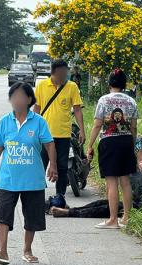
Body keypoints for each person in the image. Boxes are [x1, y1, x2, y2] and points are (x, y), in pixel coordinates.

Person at [0, 81, 58, 265]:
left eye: (20, 96)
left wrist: (53, 166)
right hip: (7, 179)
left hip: (32, 180)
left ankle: (27, 250)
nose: (16, 99)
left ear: (29, 99)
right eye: (13, 96)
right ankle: (2, 251)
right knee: (3, 213)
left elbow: (49, 144)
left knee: (32, 216)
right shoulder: (5, 122)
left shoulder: (39, 122)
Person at [87, 68, 138, 229]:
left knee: (111, 182)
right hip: (126, 142)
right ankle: (126, 219)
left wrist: (90, 145)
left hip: (109, 143)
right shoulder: (131, 101)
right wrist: (133, 144)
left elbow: (97, 124)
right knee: (125, 181)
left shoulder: (104, 100)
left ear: (110, 83)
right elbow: (134, 127)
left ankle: (112, 219)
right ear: (124, 84)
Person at [33, 59, 85, 206]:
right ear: (54, 73)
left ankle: (59, 196)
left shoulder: (72, 86)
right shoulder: (42, 85)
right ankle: (37, 197)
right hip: (43, 135)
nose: (64, 77)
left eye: (66, 73)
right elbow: (36, 109)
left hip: (63, 135)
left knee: (63, 167)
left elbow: (77, 109)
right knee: (40, 166)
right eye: (62, 74)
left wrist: (81, 129)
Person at [50, 170, 142, 219]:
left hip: (141, 209)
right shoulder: (126, 175)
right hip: (131, 205)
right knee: (102, 202)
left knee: (105, 209)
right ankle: (72, 209)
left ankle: (68, 212)